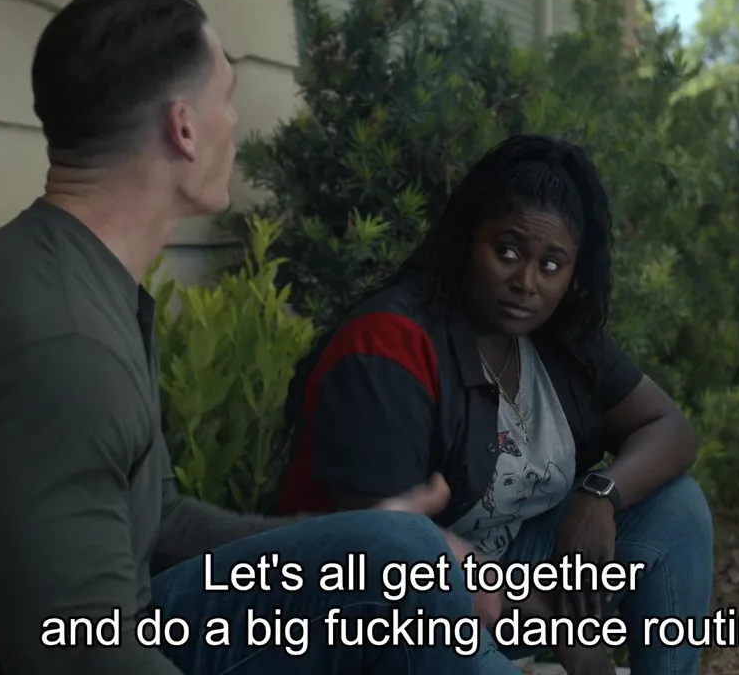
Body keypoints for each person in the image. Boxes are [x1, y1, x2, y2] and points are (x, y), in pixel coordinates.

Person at [0, 0, 491, 675]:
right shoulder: (63, 346)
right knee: (399, 565)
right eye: (227, 98)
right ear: (183, 128)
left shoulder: (78, 281)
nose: (233, 123)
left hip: (122, 622)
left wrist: (346, 539)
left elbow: (159, 520)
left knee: (395, 556)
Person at [274, 134, 716, 675]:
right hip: (377, 613)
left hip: (503, 583)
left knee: (675, 507)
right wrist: (559, 627)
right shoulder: (390, 343)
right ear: (468, 238)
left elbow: (669, 428)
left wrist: (599, 495)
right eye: (507, 252)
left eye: (551, 265)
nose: (526, 282)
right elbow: (388, 550)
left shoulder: (558, 335)